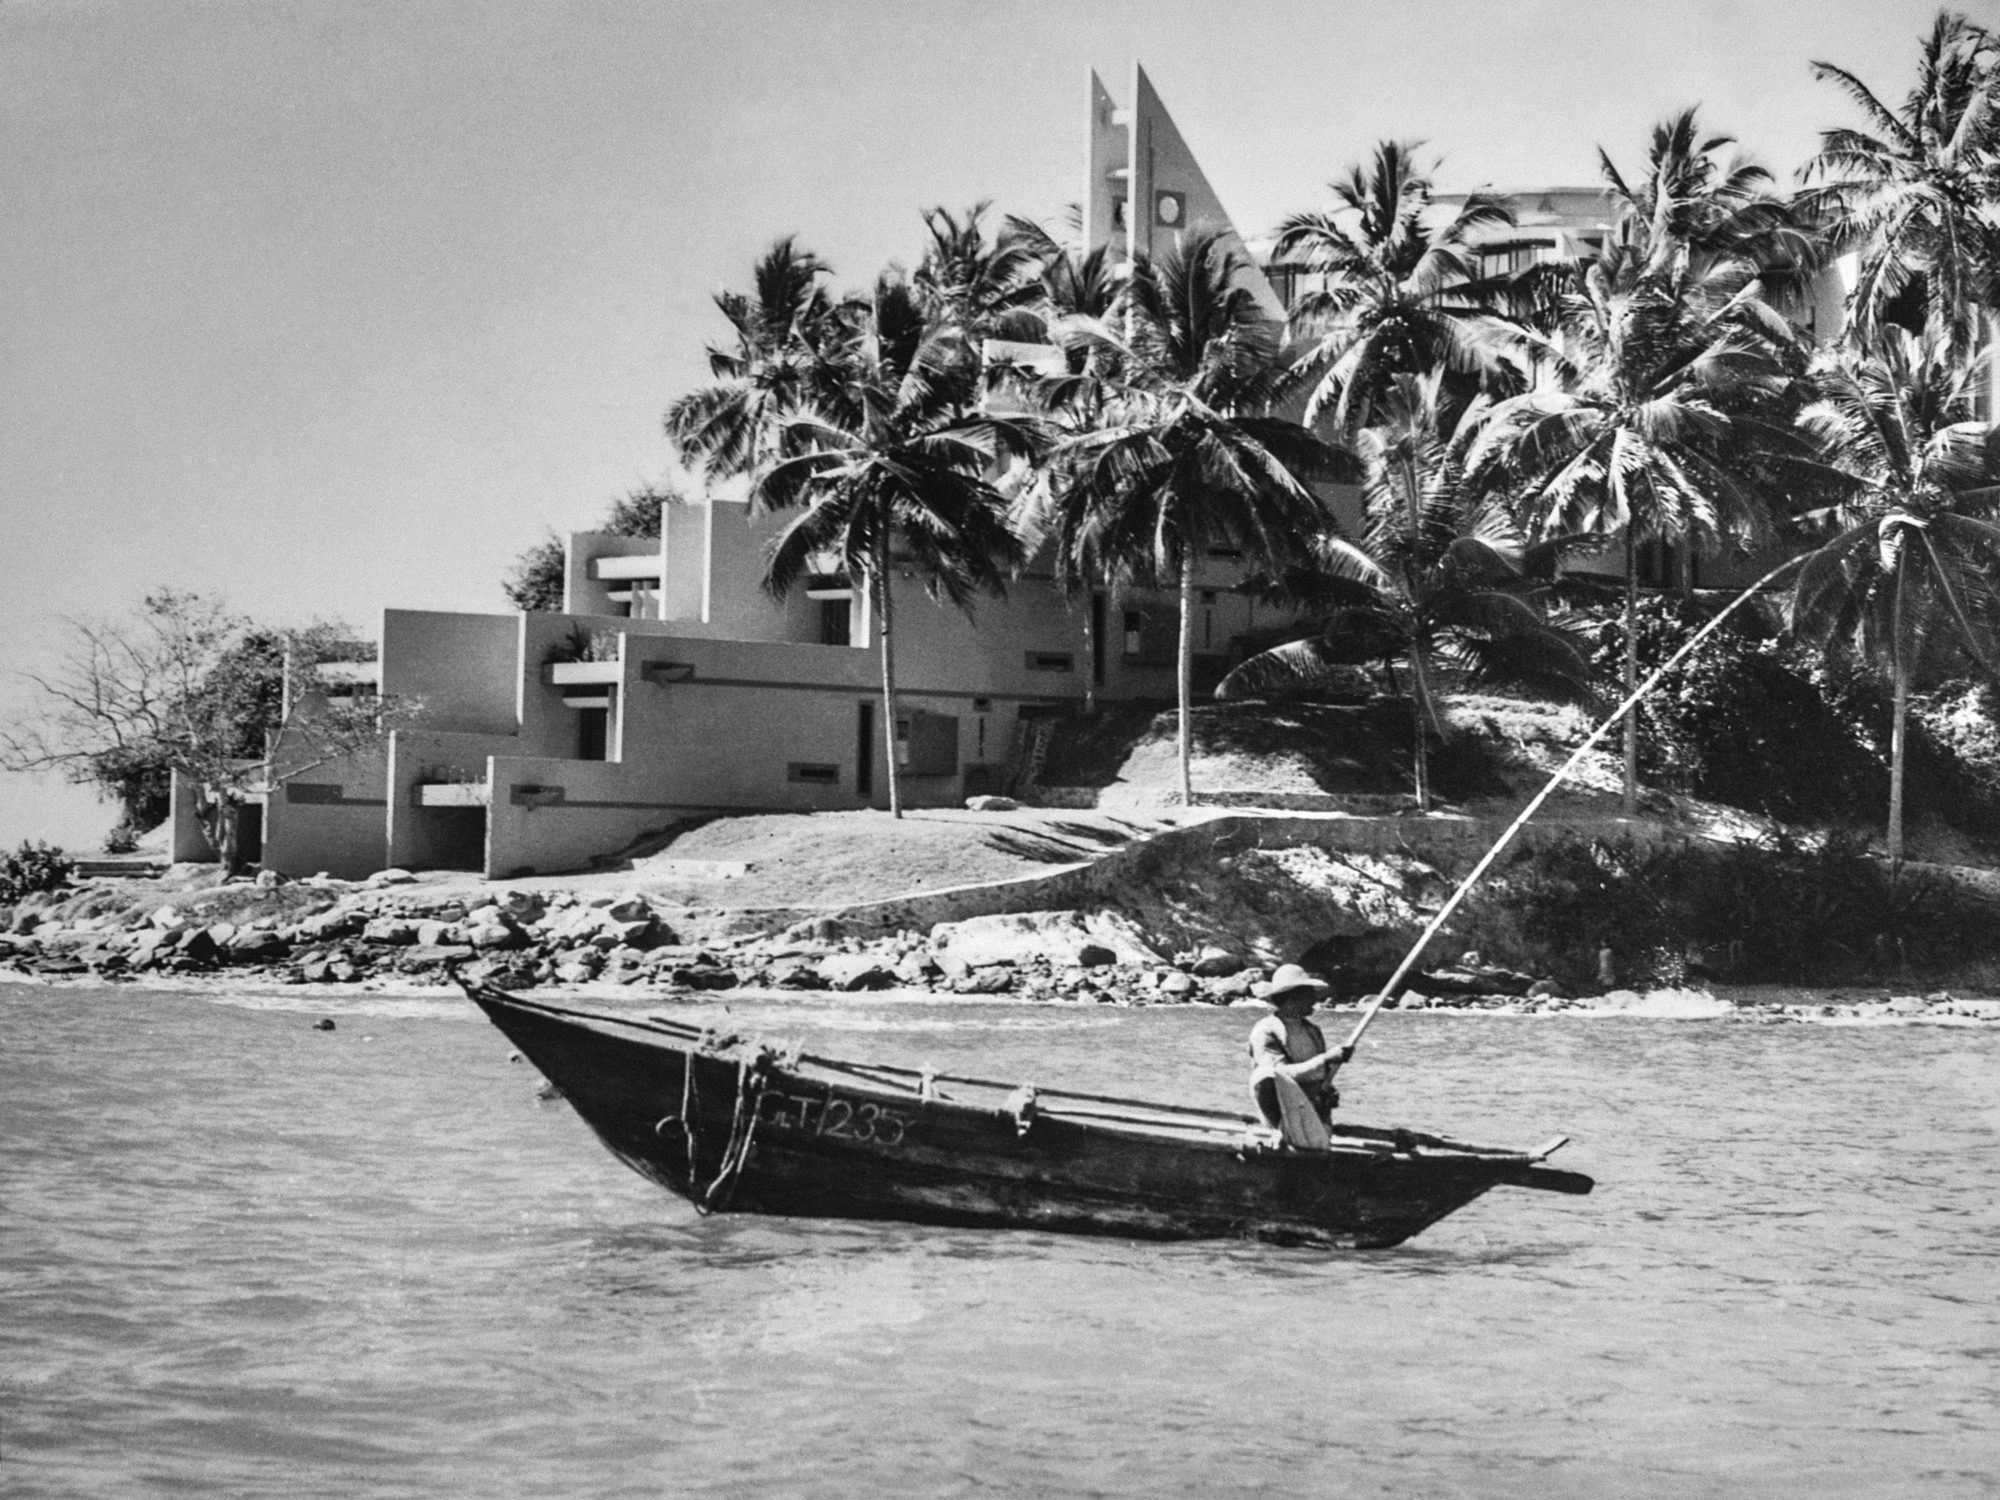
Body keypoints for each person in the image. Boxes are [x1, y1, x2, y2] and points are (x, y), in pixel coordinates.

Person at [1246, 965, 1353, 1150]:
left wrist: (1334, 1065)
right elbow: (1281, 1074)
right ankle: (1278, 1132)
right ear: (1293, 996)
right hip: (1282, 1112)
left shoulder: (1313, 1031)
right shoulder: (1266, 1030)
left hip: (1309, 1110)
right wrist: (1326, 1058)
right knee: (1264, 1075)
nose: (1314, 999)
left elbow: (1321, 1075)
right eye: (1309, 993)